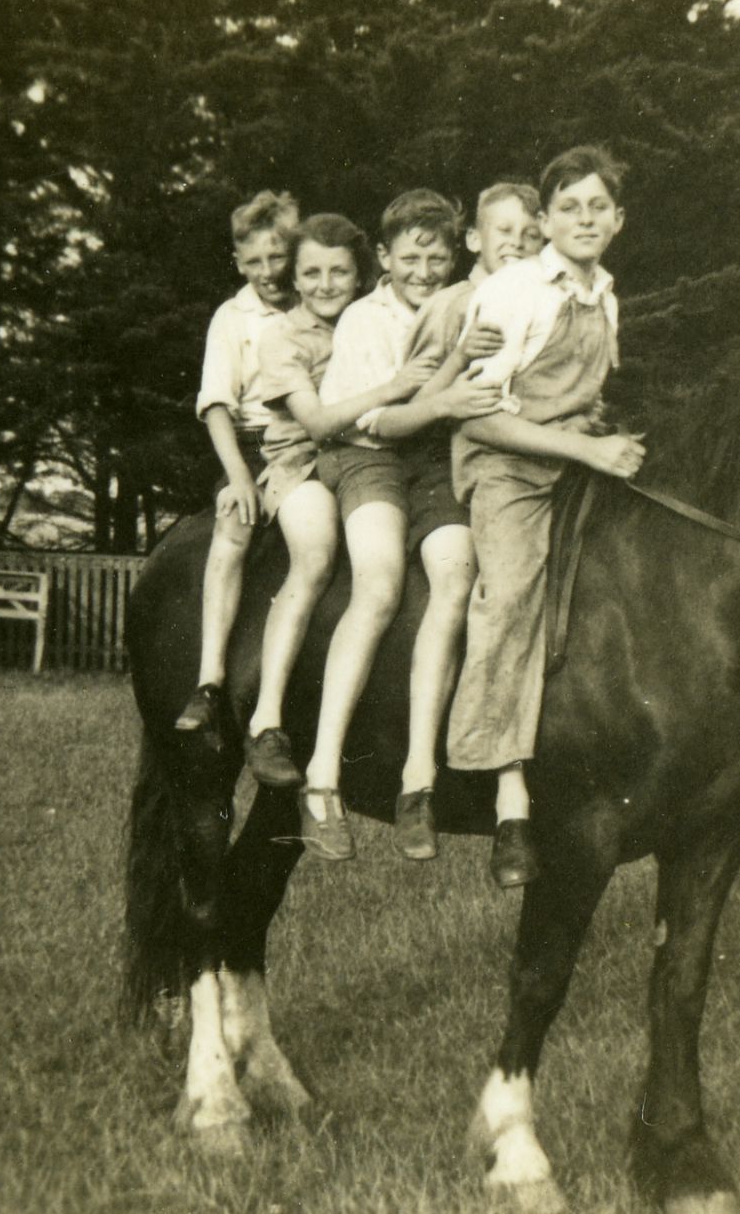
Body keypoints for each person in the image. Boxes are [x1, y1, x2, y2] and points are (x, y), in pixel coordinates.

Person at [447, 147, 647, 888]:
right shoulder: (514, 290)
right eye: (569, 207)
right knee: (510, 596)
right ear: (545, 220)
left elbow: (588, 400)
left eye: (598, 207)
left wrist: (607, 443)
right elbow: (478, 417)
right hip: (509, 467)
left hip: (575, 454)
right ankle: (503, 799)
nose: (585, 219)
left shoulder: (608, 295)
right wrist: (584, 451)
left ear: (618, 221)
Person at [273, 189, 466, 860]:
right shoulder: (362, 317)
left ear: (453, 256)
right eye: (410, 257)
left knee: (455, 577)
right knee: (379, 582)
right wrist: (435, 387)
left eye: (436, 257)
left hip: (435, 463)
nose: (424, 270)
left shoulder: (465, 303)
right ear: (384, 258)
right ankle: (323, 777)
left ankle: (418, 778)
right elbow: (366, 420)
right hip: (366, 457)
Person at [368, 181, 545, 861]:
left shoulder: (543, 297)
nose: (521, 247)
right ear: (474, 240)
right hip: (444, 470)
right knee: (464, 580)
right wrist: (454, 393)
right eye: (507, 235)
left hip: (524, 462)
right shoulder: (457, 304)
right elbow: (399, 414)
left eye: (532, 237)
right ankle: (422, 772)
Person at [237, 212, 428, 815]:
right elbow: (316, 422)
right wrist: (395, 387)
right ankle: (268, 718)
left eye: (339, 272)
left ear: (360, 272)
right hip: (302, 460)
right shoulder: (281, 338)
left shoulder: (369, 318)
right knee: (315, 555)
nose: (325, 284)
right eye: (311, 273)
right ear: (293, 277)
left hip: (364, 456)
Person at [173, 190, 299, 737]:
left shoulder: (314, 301)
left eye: (277, 257)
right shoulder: (232, 317)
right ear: (238, 261)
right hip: (247, 441)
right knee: (234, 526)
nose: (268, 272)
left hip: (306, 436)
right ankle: (210, 680)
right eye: (254, 261)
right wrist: (242, 478)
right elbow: (217, 406)